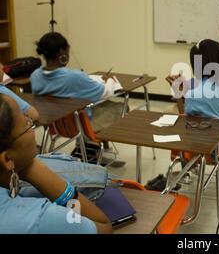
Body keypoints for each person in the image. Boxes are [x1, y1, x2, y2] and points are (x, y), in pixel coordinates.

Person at [0, 94, 112, 233]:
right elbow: (103, 226)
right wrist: (34, 170)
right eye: (27, 124)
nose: (32, 128)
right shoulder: (37, 218)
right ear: (7, 160)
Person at [30, 32, 125, 166]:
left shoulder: (35, 76)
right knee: (122, 107)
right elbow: (105, 92)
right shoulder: (73, 77)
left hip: (55, 125)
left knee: (84, 103)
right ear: (62, 52)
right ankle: (92, 148)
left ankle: (89, 149)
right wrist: (109, 81)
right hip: (79, 124)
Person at [166, 39, 219, 143]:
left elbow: (185, 123)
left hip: (210, 151)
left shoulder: (194, 95)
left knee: (169, 111)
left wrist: (179, 94)